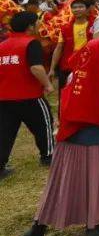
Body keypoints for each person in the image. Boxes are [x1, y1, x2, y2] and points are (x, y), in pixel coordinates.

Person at [21, 36, 99, 236]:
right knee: (94, 181)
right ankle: (92, 227)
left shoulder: (75, 75)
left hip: (69, 139)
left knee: (59, 185)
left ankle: (37, 230)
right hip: (96, 140)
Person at [0, 11, 55, 179]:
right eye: (37, 22)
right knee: (44, 126)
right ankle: (48, 156)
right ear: (30, 26)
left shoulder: (3, 45)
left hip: (4, 97)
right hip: (29, 96)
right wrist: (47, 84)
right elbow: (36, 68)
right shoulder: (31, 43)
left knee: (4, 132)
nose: (39, 24)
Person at [47, 0, 94, 101]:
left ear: (87, 9)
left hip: (87, 66)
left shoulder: (94, 26)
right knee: (65, 96)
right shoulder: (65, 28)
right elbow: (59, 48)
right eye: (74, 7)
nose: (77, 9)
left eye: (80, 7)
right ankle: (63, 116)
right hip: (67, 67)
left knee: (85, 97)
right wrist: (52, 69)